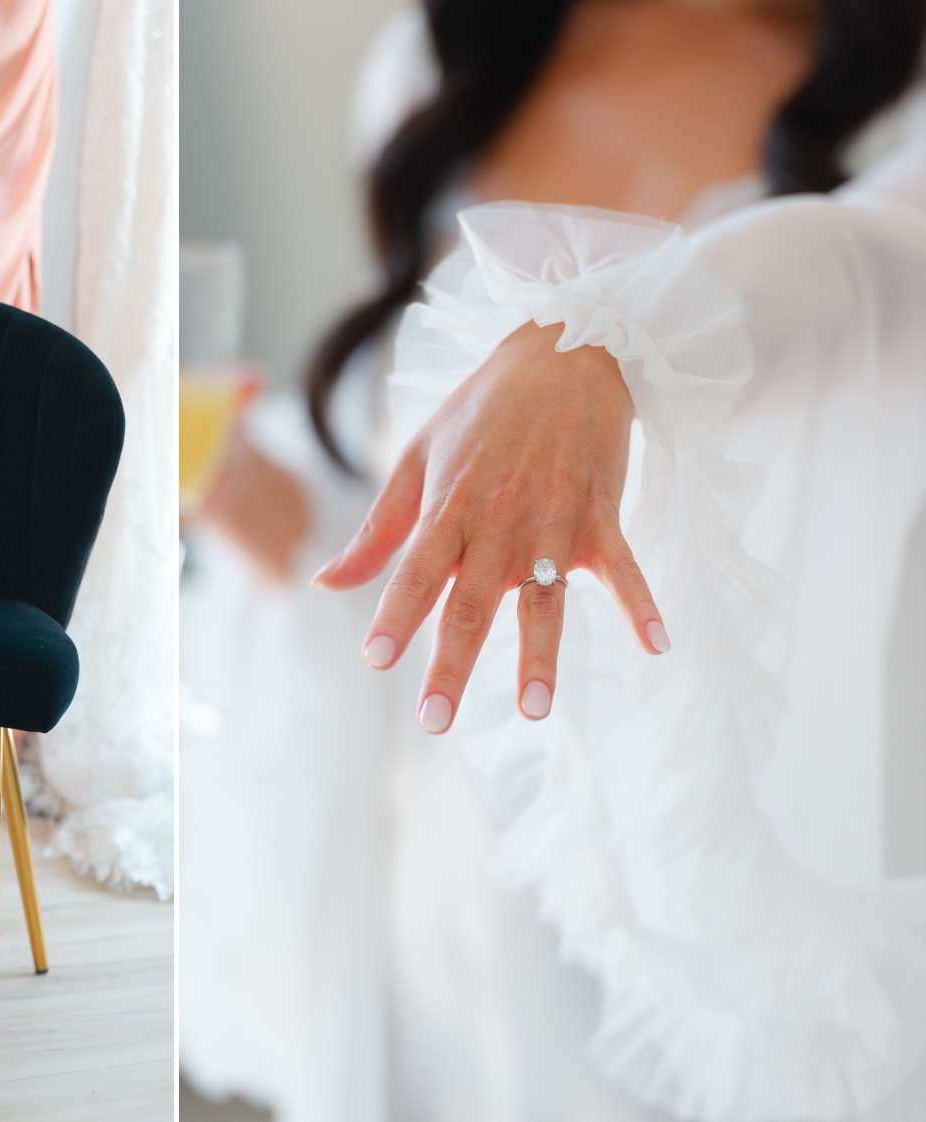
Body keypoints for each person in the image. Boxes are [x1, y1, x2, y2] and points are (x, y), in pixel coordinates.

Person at [180, 2, 926, 1120]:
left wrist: (606, 341)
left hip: (716, 879)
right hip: (446, 881)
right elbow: (424, 515)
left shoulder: (896, 93)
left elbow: (875, 263)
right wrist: (246, 499)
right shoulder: (439, 65)